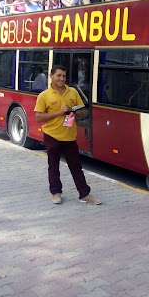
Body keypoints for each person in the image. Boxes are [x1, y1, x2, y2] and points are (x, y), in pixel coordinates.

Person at [34, 64, 101, 205]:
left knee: (76, 167)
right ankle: (56, 193)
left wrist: (74, 111)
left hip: (70, 137)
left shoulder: (73, 92)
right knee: (53, 166)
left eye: (64, 76)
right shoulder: (44, 96)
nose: (61, 78)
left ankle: (84, 195)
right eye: (58, 75)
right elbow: (38, 117)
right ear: (51, 76)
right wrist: (59, 112)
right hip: (51, 136)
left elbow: (84, 111)